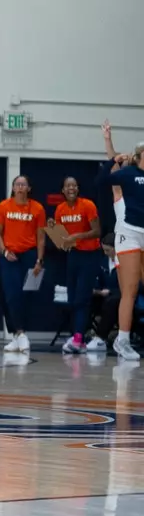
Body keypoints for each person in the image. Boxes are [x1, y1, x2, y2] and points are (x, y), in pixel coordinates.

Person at [99, 142, 144, 362]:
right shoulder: (121, 187)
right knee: (130, 290)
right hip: (126, 237)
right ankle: (122, 339)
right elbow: (113, 171)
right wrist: (109, 145)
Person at [0, 176, 46, 354]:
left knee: (27, 296)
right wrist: (4, 251)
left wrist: (39, 260)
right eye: (17, 184)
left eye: (24, 184)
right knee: (11, 295)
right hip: (10, 256)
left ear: (29, 188)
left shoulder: (37, 208)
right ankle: (20, 333)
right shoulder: (4, 206)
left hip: (30, 255)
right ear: (13, 188)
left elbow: (41, 237)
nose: (20, 187)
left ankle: (18, 336)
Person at [49, 177, 102, 353]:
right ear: (63, 190)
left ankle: (79, 337)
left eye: (74, 185)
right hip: (73, 255)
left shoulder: (88, 205)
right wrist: (57, 236)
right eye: (67, 186)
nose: (71, 188)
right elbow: (62, 239)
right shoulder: (60, 209)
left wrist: (77, 236)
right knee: (72, 298)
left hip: (90, 255)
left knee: (82, 298)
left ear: (78, 189)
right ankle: (77, 336)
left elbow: (97, 231)